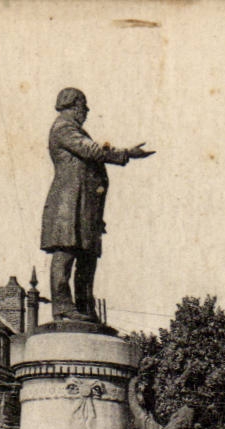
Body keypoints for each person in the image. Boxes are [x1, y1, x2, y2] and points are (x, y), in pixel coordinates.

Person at [41, 88, 154, 323]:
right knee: (66, 253)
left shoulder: (74, 129)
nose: (87, 111)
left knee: (87, 257)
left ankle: (84, 307)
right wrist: (126, 154)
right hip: (69, 205)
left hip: (85, 207)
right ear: (73, 106)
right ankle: (62, 307)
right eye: (84, 106)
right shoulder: (63, 128)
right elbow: (92, 151)